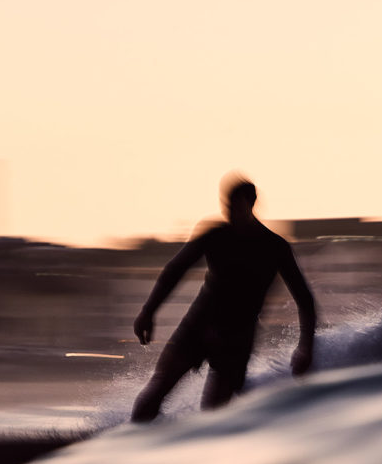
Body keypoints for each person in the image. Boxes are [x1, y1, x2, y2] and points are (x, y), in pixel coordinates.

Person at [131, 177, 317, 422]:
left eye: (234, 206)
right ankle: (129, 444)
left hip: (236, 340)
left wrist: (305, 348)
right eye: (225, 205)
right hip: (197, 326)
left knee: (214, 416)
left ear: (251, 204)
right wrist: (148, 311)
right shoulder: (215, 235)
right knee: (155, 393)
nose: (228, 211)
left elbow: (304, 299)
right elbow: (175, 270)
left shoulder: (274, 247)